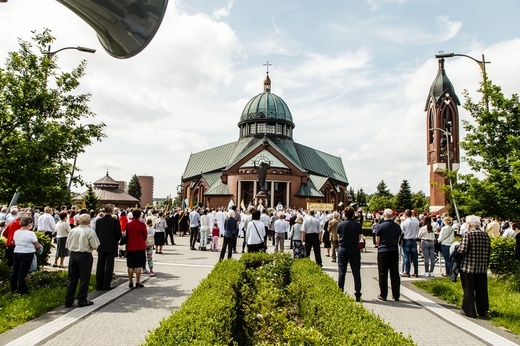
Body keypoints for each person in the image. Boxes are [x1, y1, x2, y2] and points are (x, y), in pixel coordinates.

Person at [458, 215, 491, 318]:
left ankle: (469, 311)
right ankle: (483, 310)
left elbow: (462, 250)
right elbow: (489, 250)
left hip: (468, 267)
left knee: (468, 289)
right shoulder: (485, 235)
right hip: (482, 267)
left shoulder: (468, 234)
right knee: (481, 290)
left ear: (469, 224)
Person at [65, 214, 100, 307]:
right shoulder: (90, 232)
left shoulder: (72, 231)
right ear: (89, 222)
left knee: (72, 277)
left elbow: (67, 244)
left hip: (73, 254)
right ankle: (82, 299)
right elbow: (95, 245)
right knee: (84, 278)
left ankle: (68, 300)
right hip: (85, 255)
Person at [337, 206, 363, 301]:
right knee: (356, 272)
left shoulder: (341, 224)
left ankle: (340, 291)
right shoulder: (357, 224)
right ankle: (358, 293)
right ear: (353, 214)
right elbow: (360, 237)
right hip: (354, 249)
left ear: (344, 214)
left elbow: (339, 236)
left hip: (343, 248)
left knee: (342, 271)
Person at [375, 209, 401, 301]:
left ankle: (383, 294)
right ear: (392, 216)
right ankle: (396, 295)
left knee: (383, 273)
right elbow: (398, 239)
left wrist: (380, 244)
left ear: (384, 215)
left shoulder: (380, 226)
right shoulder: (397, 227)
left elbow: (377, 241)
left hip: (383, 251)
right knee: (395, 273)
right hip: (394, 250)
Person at [10, 216, 41, 295]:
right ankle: (23, 291)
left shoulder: (17, 232)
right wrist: (38, 250)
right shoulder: (30, 233)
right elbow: (37, 245)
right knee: (22, 273)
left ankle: (13, 289)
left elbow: (13, 242)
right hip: (27, 253)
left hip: (17, 252)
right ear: (29, 223)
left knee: (15, 271)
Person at [95, 204, 122, 291]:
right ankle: (106, 284)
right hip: (111, 245)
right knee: (109, 265)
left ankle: (99, 284)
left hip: (101, 245)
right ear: (112, 211)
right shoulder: (115, 221)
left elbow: (96, 232)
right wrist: (115, 240)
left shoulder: (99, 221)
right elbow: (118, 234)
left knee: (100, 265)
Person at [126, 209, 147, 289]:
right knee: (139, 265)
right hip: (140, 246)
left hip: (130, 246)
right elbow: (145, 235)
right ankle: (138, 281)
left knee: (130, 266)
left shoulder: (128, 224)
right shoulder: (142, 225)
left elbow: (126, 235)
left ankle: (130, 281)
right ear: (139, 215)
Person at [400, 209, 420, 278]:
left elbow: (401, 232)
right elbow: (417, 229)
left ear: (405, 214)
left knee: (406, 256)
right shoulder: (416, 221)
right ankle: (416, 272)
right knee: (415, 257)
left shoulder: (404, 223)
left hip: (406, 239)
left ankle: (407, 272)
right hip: (413, 239)